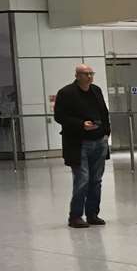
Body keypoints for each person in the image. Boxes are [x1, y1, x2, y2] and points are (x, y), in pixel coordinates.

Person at [53, 63, 110, 229]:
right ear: (77, 76)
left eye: (91, 73)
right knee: (82, 179)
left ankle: (92, 214)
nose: (90, 77)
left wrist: (106, 132)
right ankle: (76, 216)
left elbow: (104, 113)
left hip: (99, 141)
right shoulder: (66, 93)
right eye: (86, 74)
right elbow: (59, 116)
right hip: (78, 143)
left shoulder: (96, 91)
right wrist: (80, 124)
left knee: (96, 180)